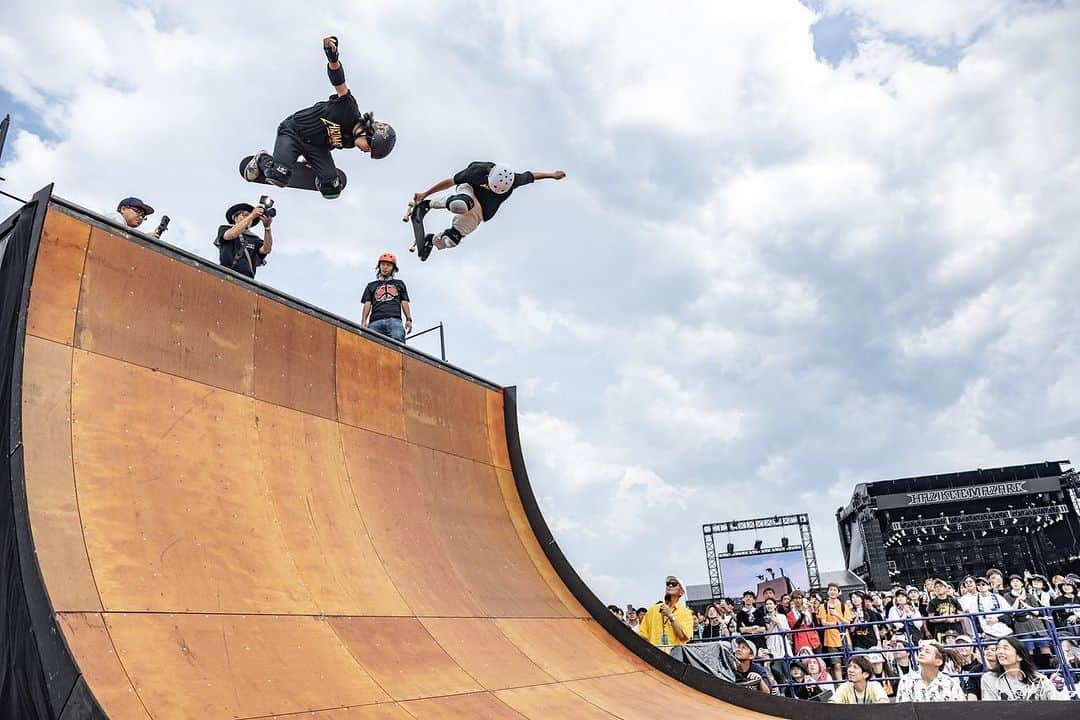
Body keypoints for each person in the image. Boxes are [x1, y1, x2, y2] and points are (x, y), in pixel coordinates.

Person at [244, 37, 395, 199]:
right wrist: (332, 57)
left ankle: (309, 166)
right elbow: (339, 83)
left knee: (332, 189)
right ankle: (262, 159)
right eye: (370, 148)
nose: (366, 151)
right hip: (293, 132)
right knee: (278, 176)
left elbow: (329, 140)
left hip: (315, 147)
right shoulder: (348, 108)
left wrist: (313, 162)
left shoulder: (351, 142)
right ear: (369, 134)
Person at [410, 162, 566, 257]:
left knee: (451, 240)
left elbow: (532, 175)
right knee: (461, 204)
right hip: (469, 191)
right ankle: (428, 205)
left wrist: (552, 175)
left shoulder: (515, 179)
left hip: (481, 210)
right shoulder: (476, 171)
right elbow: (450, 182)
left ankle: (432, 240)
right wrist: (425, 194)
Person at [980, 635, 1063, 700]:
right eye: (998, 648)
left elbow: (1056, 703)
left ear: (1019, 656)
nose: (1000, 652)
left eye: (1005, 648)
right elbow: (991, 709)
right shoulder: (989, 678)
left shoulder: (1039, 679)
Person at [361, 253, 412, 342]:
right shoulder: (371, 285)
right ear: (379, 266)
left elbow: (404, 302)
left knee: (397, 341)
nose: (385, 267)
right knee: (371, 344)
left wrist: (409, 319)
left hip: (394, 320)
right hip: (375, 321)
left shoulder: (399, 284)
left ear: (393, 268)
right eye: (383, 264)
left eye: (388, 265)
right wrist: (363, 321)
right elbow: (367, 303)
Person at [215, 202, 273, 278]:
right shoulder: (225, 228)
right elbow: (231, 235)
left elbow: (266, 249)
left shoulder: (254, 238)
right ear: (235, 218)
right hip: (227, 274)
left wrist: (267, 228)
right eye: (244, 215)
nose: (248, 218)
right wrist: (252, 215)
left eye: (250, 216)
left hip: (247, 279)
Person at [894, 641, 965, 702]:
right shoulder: (906, 680)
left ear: (938, 661)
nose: (921, 653)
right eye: (921, 651)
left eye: (927, 652)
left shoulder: (951, 684)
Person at [638, 575, 693, 649]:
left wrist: (670, 616)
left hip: (674, 655)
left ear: (681, 592)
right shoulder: (652, 610)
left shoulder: (686, 613)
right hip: (654, 654)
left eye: (674, 584)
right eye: (668, 584)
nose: (670, 585)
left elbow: (683, 637)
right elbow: (642, 635)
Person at [816, 583, 850, 680]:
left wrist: (837, 615)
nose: (832, 592)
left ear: (838, 592)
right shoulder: (823, 606)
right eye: (831, 589)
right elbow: (823, 622)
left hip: (845, 638)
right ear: (827, 592)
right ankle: (840, 684)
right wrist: (836, 624)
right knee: (836, 665)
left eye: (835, 590)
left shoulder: (844, 606)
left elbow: (847, 622)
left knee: (849, 663)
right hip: (831, 639)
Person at [947, 633, 983, 700]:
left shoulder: (978, 664)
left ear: (972, 648)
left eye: (965, 645)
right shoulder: (951, 665)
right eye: (959, 645)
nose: (962, 647)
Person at [762, 597, 792, 662]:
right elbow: (765, 636)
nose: (769, 606)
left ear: (775, 605)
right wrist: (772, 625)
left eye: (770, 604)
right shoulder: (764, 618)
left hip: (782, 642)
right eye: (767, 604)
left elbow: (786, 632)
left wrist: (778, 622)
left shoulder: (782, 616)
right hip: (770, 643)